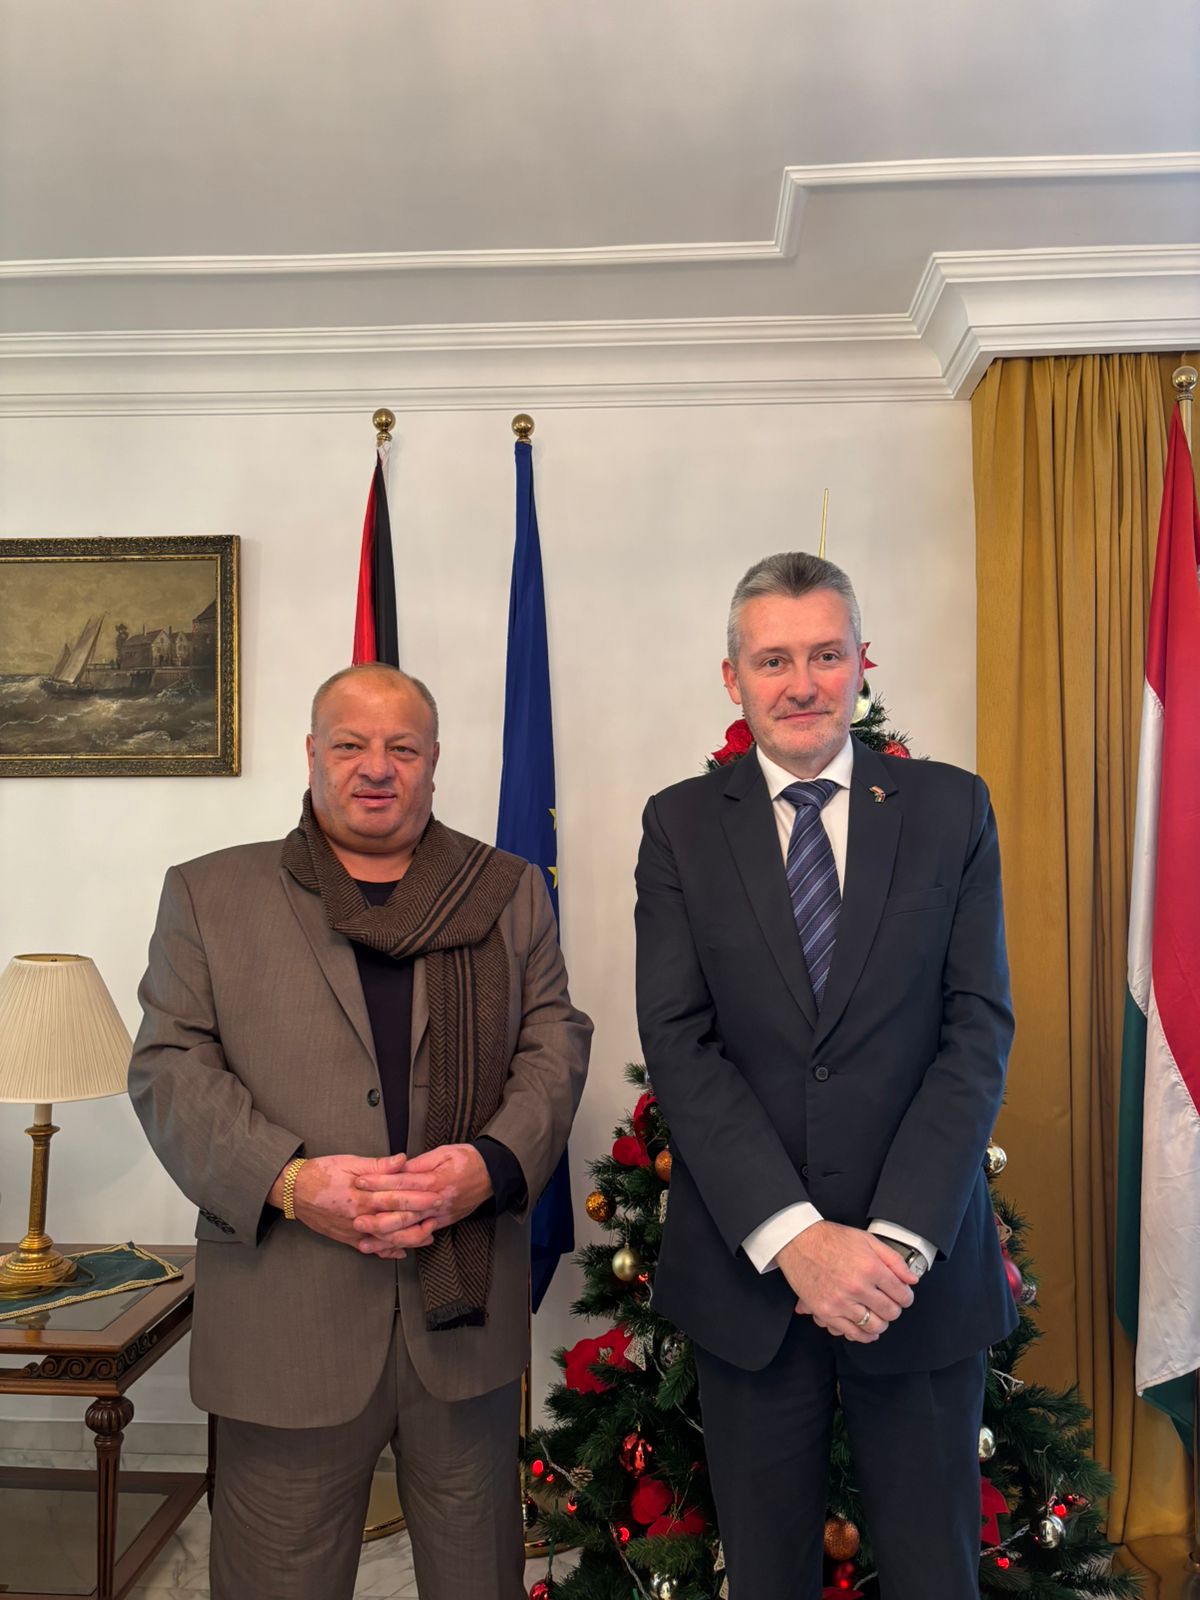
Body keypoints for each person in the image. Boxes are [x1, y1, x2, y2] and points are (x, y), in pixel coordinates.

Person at [129, 663, 591, 1600]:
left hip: (461, 1323)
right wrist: (293, 1183)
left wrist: (491, 1164)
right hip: (286, 1324)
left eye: (401, 748)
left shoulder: (504, 891)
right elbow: (169, 1067)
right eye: (350, 744)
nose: (376, 767)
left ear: (433, 762)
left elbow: (555, 1042)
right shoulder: (210, 893)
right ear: (312, 754)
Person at [634, 552, 1016, 1599]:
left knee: (937, 1574)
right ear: (733, 677)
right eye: (773, 660)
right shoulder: (679, 825)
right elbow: (681, 1041)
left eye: (825, 655)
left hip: (917, 1279)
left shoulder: (951, 808)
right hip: (752, 1280)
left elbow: (976, 1029)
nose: (801, 683)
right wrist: (797, 1241)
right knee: (766, 1576)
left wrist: (892, 1244)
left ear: (860, 663)